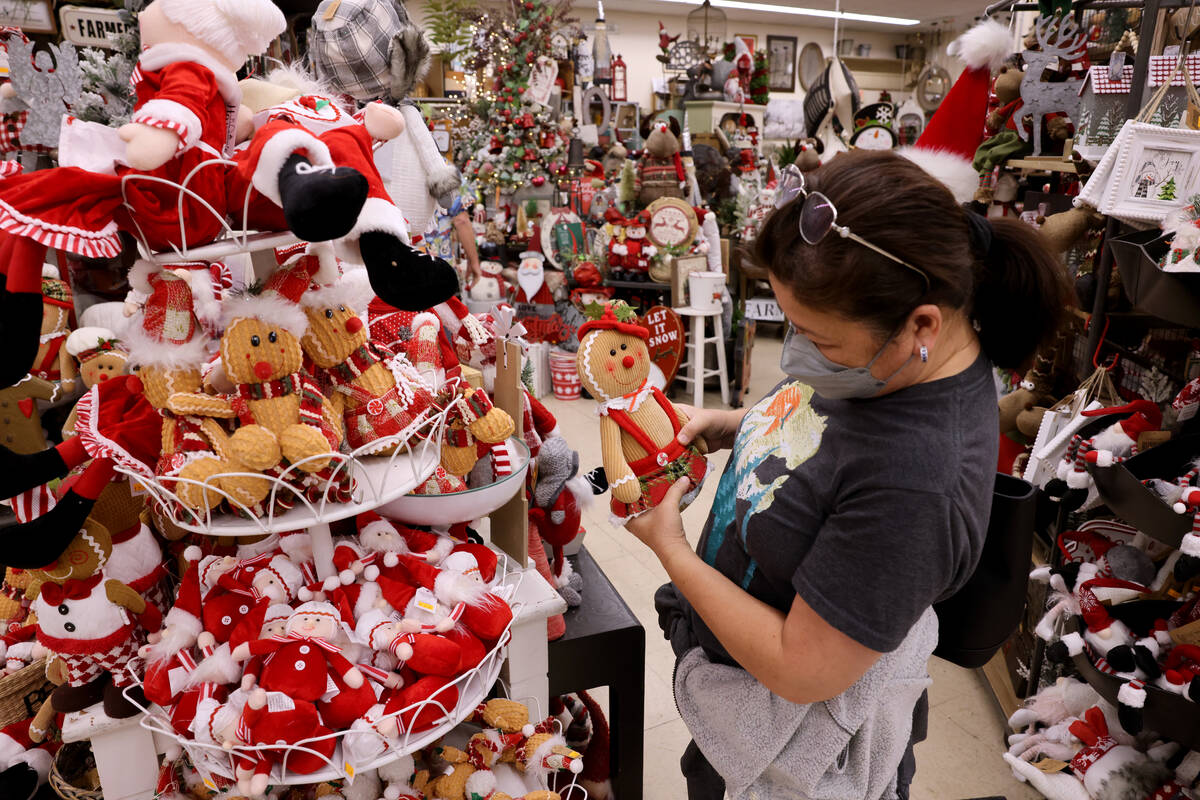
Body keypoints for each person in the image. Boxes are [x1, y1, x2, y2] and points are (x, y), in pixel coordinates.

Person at [627, 149, 1070, 800]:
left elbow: (802, 670)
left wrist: (668, 547)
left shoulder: (918, 483)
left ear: (920, 325)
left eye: (817, 338)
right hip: (733, 696)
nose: (799, 354)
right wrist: (743, 423)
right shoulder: (892, 361)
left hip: (790, 749)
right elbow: (831, 423)